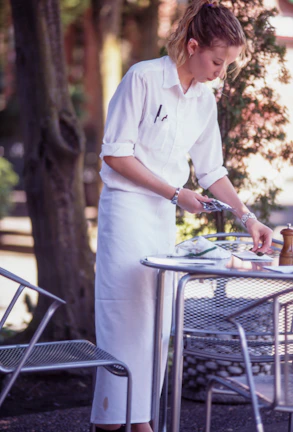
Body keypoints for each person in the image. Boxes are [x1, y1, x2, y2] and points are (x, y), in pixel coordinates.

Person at [90, 1, 273, 431]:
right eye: (216, 61)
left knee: (156, 326)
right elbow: (115, 155)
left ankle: (140, 423)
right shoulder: (143, 79)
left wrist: (248, 218)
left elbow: (212, 171)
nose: (219, 72)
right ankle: (112, 423)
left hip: (160, 220)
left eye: (226, 64)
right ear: (192, 46)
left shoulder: (204, 100)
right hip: (126, 215)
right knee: (124, 322)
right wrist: (176, 192)